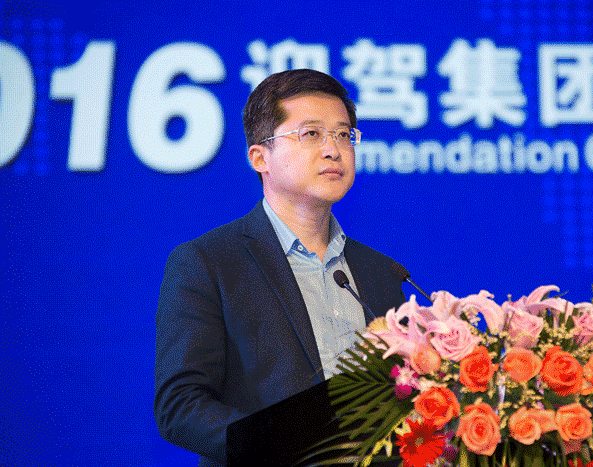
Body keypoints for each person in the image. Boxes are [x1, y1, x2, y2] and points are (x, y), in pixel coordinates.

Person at [154, 69, 407, 466]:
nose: (333, 149)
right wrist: (291, 441)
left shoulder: (381, 272)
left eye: (344, 134)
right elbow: (181, 406)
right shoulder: (208, 262)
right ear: (260, 157)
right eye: (311, 134)